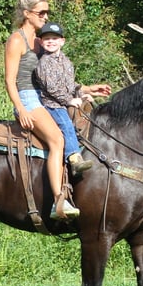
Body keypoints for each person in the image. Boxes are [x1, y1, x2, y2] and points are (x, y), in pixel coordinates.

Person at [4, 0, 79, 220]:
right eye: (41, 13)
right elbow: (9, 80)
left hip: (45, 95)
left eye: (47, 13)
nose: (46, 17)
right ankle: (59, 201)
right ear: (27, 14)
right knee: (57, 139)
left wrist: (84, 90)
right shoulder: (17, 41)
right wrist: (21, 109)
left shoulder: (40, 41)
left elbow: (55, 77)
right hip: (28, 96)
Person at [34, 22, 111, 178]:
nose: (50, 41)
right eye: (47, 39)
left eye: (54, 38)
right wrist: (69, 100)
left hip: (64, 100)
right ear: (41, 42)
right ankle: (74, 158)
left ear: (62, 41)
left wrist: (81, 95)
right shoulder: (44, 63)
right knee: (66, 124)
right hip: (53, 104)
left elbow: (69, 85)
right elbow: (52, 88)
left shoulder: (66, 61)